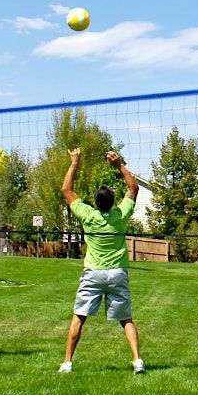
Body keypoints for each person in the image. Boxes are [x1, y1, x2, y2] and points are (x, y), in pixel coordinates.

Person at [59, 148, 145, 374]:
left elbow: (66, 189)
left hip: (94, 273)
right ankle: (137, 361)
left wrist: (75, 162)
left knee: (79, 317)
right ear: (112, 202)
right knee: (126, 319)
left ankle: (67, 362)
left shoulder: (88, 215)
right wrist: (119, 165)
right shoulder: (120, 215)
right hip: (117, 272)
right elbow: (133, 188)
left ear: (96, 203)